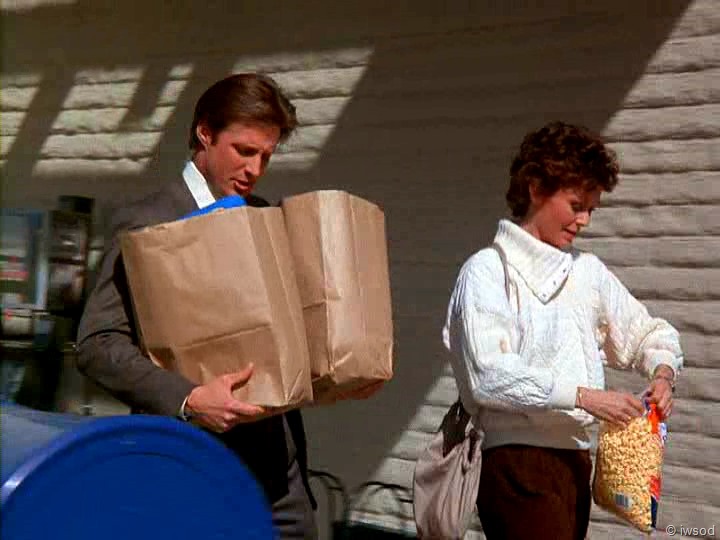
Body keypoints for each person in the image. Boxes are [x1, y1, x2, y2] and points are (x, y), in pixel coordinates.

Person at [77, 73, 378, 539]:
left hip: (280, 476)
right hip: (190, 466)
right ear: (205, 132)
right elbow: (97, 343)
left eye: (266, 156)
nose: (255, 169)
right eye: (244, 150)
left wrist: (341, 370)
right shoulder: (146, 223)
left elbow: (289, 335)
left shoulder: (265, 215)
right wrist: (188, 398)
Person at [442, 121, 683, 540]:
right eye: (575, 205)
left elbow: (647, 332)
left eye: (592, 209)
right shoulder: (486, 271)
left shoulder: (587, 272)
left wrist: (663, 374)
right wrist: (587, 397)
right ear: (536, 188)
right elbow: (489, 377)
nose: (584, 220)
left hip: (575, 462)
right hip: (515, 463)